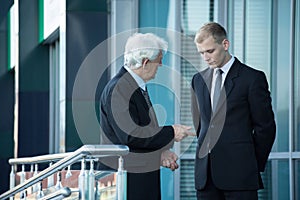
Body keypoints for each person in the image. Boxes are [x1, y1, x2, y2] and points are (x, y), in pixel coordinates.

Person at [99, 32, 195, 200]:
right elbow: (131, 135)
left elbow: (143, 130)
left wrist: (161, 152)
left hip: (138, 178)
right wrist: (171, 132)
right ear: (145, 62)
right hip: (128, 183)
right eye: (159, 61)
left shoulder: (133, 86)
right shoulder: (120, 88)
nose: (161, 65)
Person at [191, 22, 276, 200]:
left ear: (225, 44)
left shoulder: (252, 78)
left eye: (210, 51)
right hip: (206, 178)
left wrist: (251, 164)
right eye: (201, 53)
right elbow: (201, 125)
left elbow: (265, 128)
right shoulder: (198, 80)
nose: (205, 57)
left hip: (240, 176)